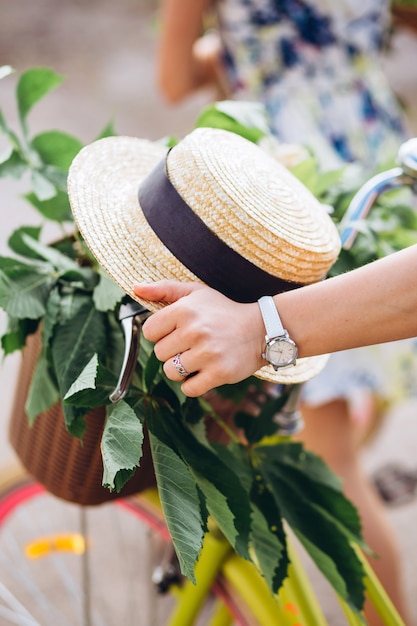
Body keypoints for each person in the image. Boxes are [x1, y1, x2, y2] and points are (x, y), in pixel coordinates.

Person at [156, 2, 416, 624]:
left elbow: (172, 81)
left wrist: (235, 45)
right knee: (340, 421)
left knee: (331, 457)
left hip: (285, 187)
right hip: (378, 164)